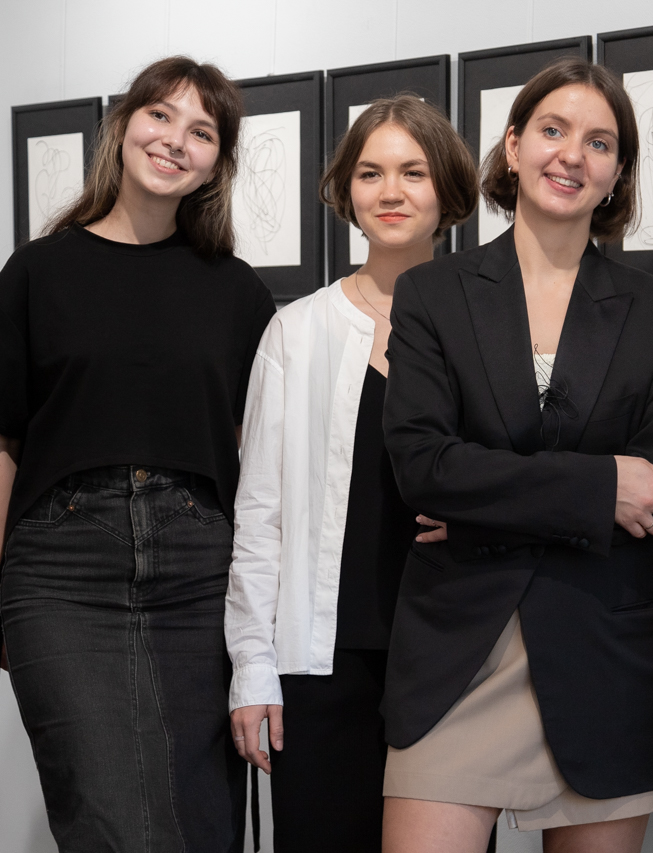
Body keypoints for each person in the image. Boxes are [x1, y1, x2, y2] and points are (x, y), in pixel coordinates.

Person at [0, 56, 277, 852]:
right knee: (104, 815)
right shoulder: (37, 273)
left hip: (200, 571)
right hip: (60, 569)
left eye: (202, 131)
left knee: (199, 818)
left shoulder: (238, 293)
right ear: (123, 126)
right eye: (160, 115)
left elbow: (259, 459)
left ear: (216, 164)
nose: (175, 140)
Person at [379, 56, 653, 853]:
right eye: (553, 130)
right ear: (515, 144)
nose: (572, 155)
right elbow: (422, 466)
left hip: (609, 654)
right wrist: (597, 487)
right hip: (460, 650)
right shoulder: (432, 295)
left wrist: (480, 507)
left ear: (618, 172)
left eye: (600, 142)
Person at [224, 95, 478, 852]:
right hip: (320, 665)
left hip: (454, 657)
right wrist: (252, 667)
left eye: (413, 172)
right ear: (347, 190)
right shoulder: (295, 331)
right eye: (370, 173)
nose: (390, 191)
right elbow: (259, 515)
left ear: (448, 191)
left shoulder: (487, 331)